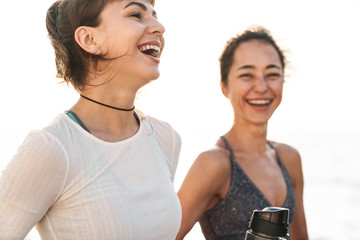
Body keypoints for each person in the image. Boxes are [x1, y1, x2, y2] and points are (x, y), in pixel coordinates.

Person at [0, 0, 182, 239]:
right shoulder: (53, 148)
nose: (159, 27)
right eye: (136, 14)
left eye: (154, 15)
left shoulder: (164, 137)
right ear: (89, 39)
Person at [176, 26, 308, 240]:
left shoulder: (289, 158)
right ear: (224, 86)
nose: (261, 87)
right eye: (247, 75)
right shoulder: (214, 164)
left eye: (272, 74)